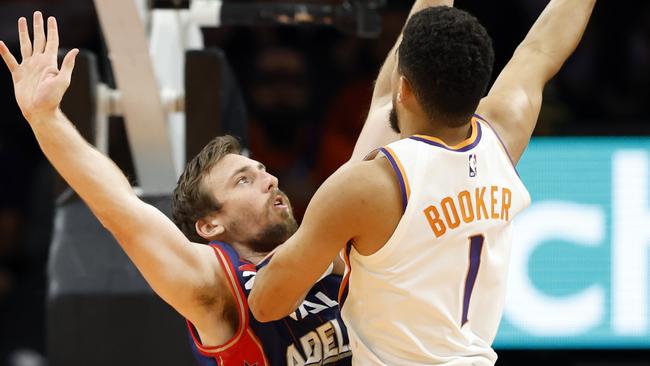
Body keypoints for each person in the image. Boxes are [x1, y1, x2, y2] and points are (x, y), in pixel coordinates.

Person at [0, 1, 450, 364]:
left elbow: (389, 104)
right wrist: (46, 119)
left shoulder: (332, 239)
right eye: (243, 180)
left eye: (261, 171)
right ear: (210, 225)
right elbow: (120, 210)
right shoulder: (217, 289)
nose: (268, 179)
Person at [249, 1, 596, 365]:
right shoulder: (504, 130)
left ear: (404, 87)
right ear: (479, 84)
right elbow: (541, 48)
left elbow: (266, 304)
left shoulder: (367, 185)